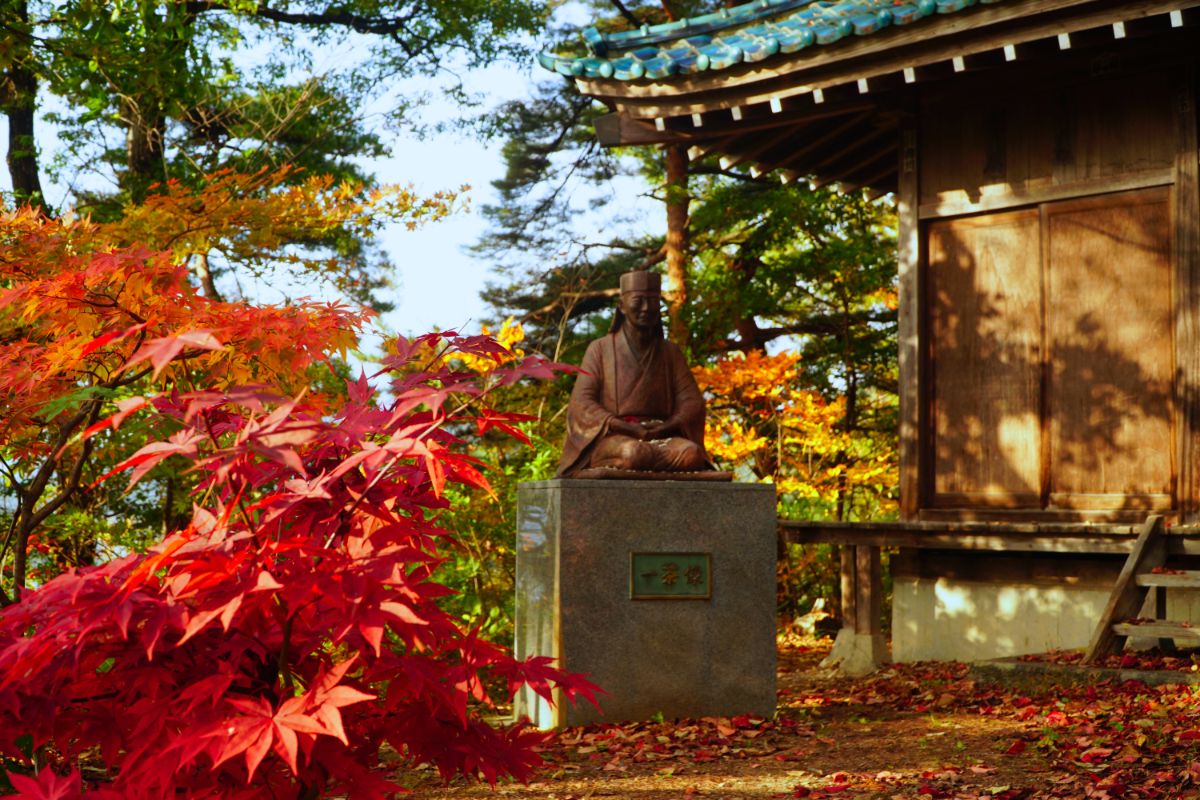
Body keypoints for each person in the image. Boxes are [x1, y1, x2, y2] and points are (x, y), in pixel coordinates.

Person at [556, 270, 713, 477]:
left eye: (653, 301)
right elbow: (582, 402)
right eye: (638, 301)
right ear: (621, 306)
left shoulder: (670, 352)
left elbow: (691, 402)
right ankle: (618, 461)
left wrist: (668, 426)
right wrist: (619, 424)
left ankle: (643, 466)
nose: (646, 308)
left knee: (691, 454)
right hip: (615, 436)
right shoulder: (600, 349)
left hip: (662, 436)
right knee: (633, 453)